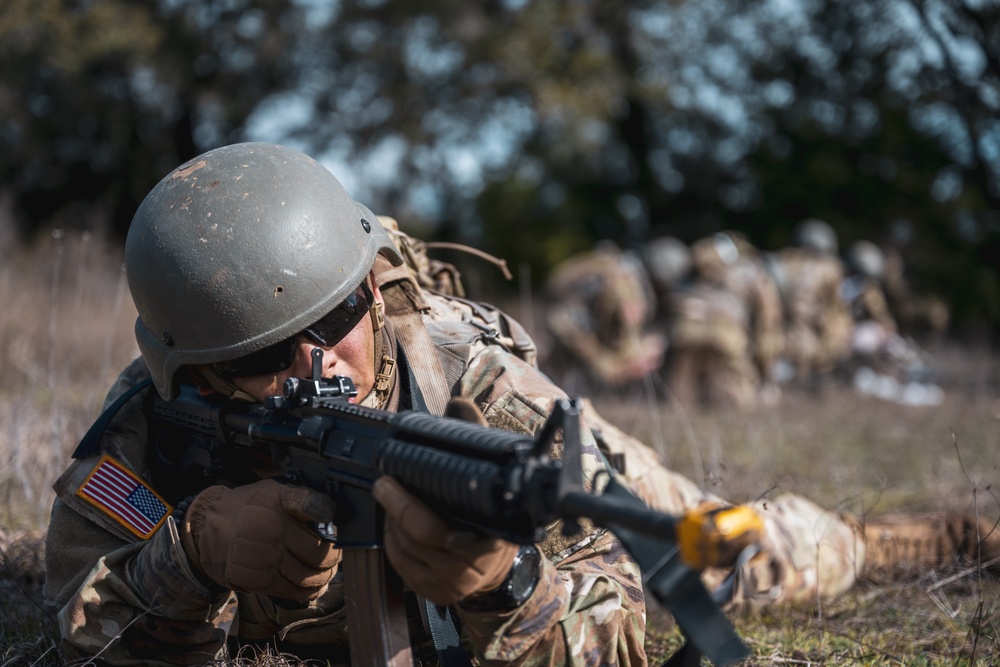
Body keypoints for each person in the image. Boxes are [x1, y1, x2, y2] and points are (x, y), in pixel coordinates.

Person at [43, 143, 997, 666]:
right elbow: (74, 632)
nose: (317, 360)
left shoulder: (467, 381)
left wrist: (507, 584)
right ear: (195, 375)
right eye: (260, 355)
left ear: (371, 288)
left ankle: (882, 540)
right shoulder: (149, 436)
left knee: (711, 545)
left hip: (535, 489)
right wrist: (191, 556)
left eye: (339, 314)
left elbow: (622, 622)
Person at [664, 231, 784, 409]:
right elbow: (767, 325)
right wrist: (766, 373)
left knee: (679, 405)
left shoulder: (690, 270)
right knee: (735, 404)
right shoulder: (752, 271)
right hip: (726, 335)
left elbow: (670, 302)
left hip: (685, 333)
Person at [542, 242, 666, 391]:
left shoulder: (626, 284)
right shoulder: (618, 283)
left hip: (594, 331)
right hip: (579, 327)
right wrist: (603, 360)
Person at [766, 219, 853, 387]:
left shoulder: (782, 260)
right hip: (810, 342)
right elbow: (838, 310)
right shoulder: (831, 267)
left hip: (778, 337)